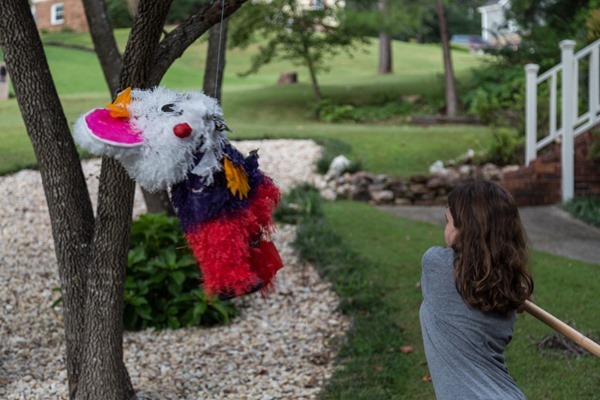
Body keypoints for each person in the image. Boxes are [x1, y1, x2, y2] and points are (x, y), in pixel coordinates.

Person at [419, 180, 534, 400]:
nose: (445, 230)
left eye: (448, 222)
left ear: (465, 229)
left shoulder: (436, 265)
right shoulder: (505, 289)